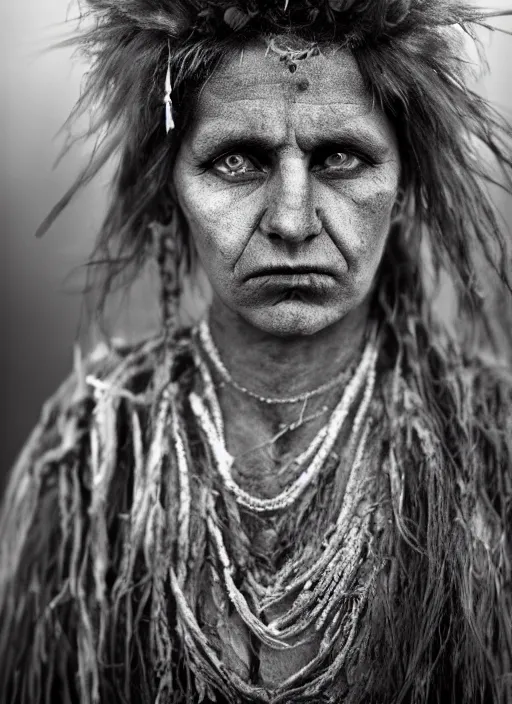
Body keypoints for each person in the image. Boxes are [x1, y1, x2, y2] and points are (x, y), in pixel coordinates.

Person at [1, 1, 512, 702]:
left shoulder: (494, 449)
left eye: (342, 157)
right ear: (169, 185)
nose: (292, 222)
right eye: (237, 160)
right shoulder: (92, 457)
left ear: (405, 185)